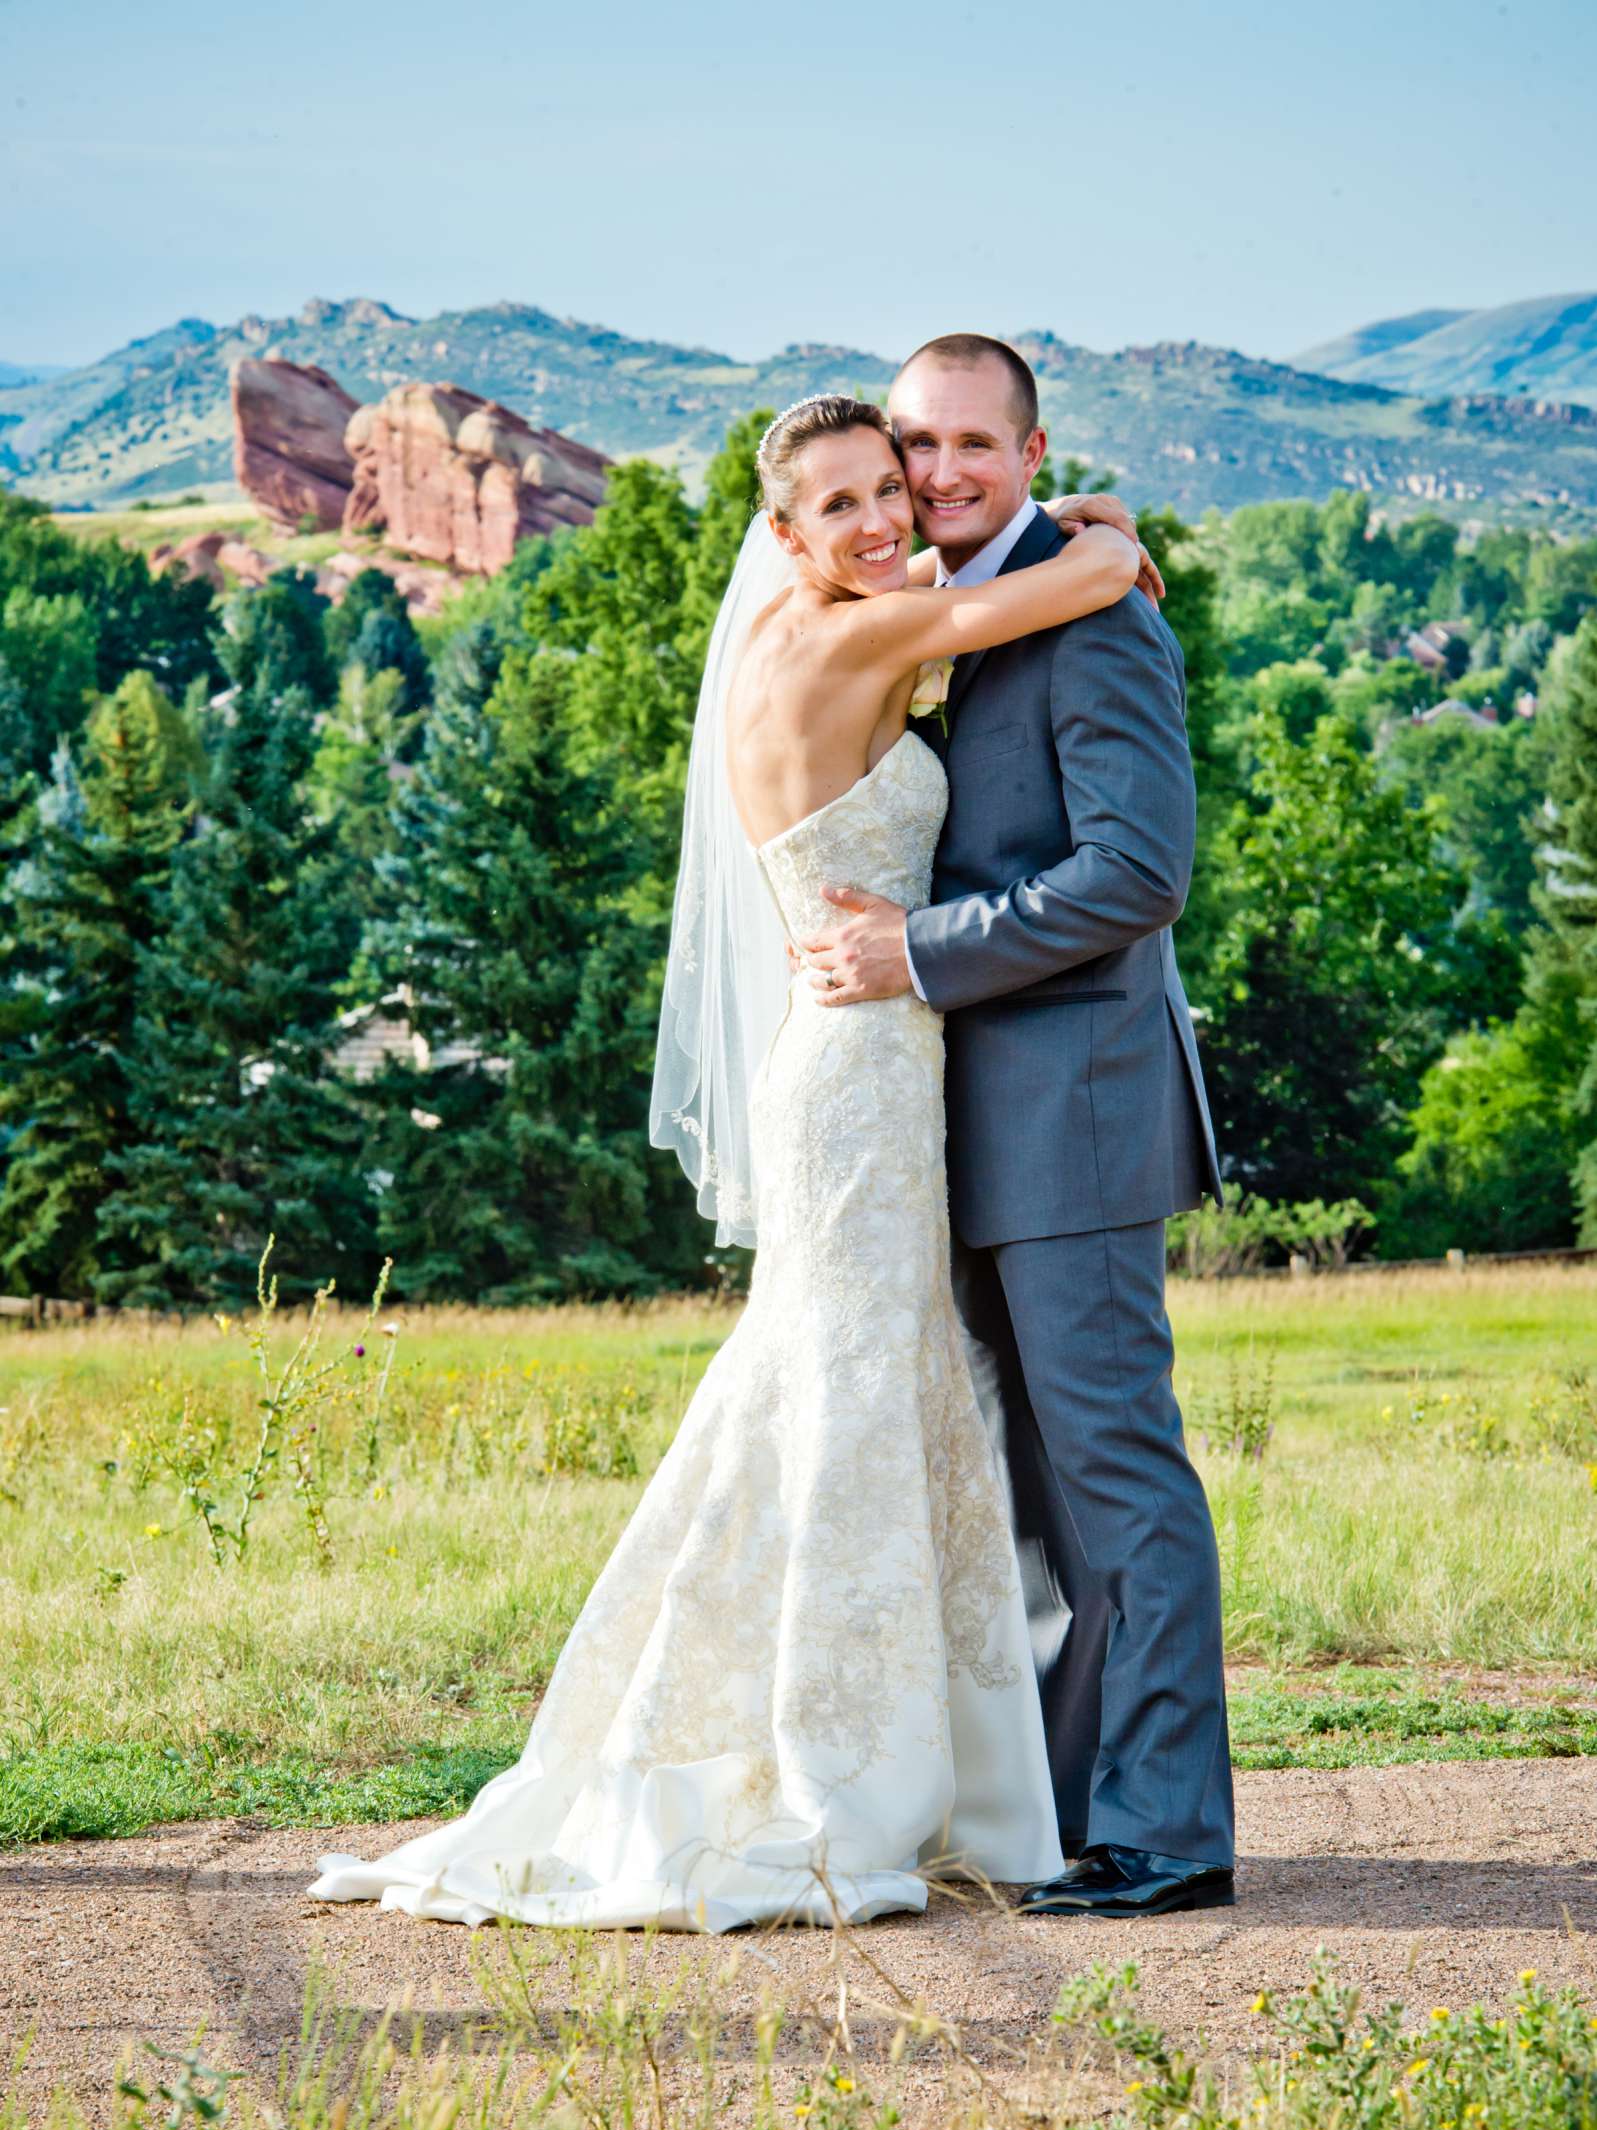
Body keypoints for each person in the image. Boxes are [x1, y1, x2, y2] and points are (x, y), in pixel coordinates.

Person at [306, 392, 1139, 1932]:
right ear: (780, 537)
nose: (883, 521)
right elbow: (1072, 589)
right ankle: (840, 1769)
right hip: (866, 1073)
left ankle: (872, 1745)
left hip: (860, 1063)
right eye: (839, 507)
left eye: (887, 490)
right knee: (846, 1398)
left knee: (833, 1386)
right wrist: (1107, 527)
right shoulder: (845, 643)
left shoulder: (805, 640)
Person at [800, 336, 1235, 1920]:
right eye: (918, 442)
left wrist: (912, 951)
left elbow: (1136, 872)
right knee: (1037, 1505)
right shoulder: (960, 597)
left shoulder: (1096, 607)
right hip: (967, 1128)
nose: (940, 470)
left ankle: (1165, 1835)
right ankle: (1070, 1815)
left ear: (1031, 450)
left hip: (1079, 1115)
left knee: (1116, 1480)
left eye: (974, 442)